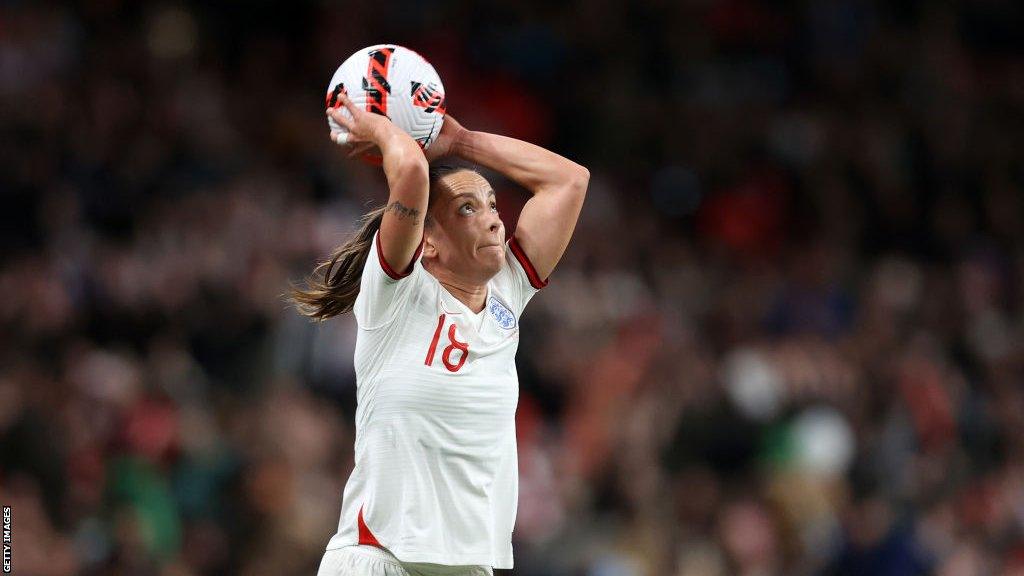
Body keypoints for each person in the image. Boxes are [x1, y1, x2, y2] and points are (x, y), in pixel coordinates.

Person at [291, 93, 588, 576]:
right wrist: (385, 131)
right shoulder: (395, 294)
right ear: (427, 240)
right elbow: (409, 173)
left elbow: (569, 181)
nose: (495, 218)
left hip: (469, 566)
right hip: (379, 558)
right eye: (468, 209)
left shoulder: (506, 294)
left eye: (493, 205)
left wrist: (463, 141)